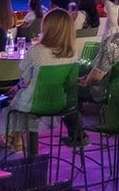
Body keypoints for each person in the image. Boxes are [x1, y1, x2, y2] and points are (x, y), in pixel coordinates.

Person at [5, 10, 84, 147]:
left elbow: (25, 76)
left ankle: (15, 137)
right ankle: (18, 137)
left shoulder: (36, 51)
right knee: (23, 97)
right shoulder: (73, 53)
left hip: (34, 103)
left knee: (19, 99)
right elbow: (71, 82)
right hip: (60, 103)